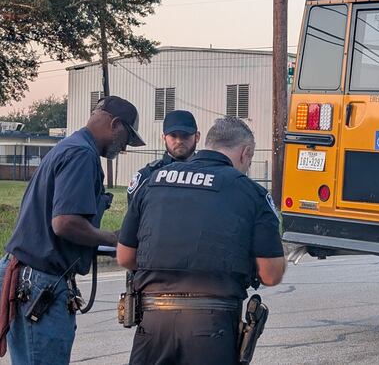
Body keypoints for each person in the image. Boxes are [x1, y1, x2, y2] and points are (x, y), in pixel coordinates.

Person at [117, 116, 286, 365]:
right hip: (212, 326)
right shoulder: (251, 193)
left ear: (206, 143)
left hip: (153, 323)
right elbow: (270, 275)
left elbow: (125, 257)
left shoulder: (153, 181)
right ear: (245, 152)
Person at [0, 96, 145, 364]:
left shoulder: (68, 147)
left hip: (31, 276)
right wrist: (115, 239)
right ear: (115, 124)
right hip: (40, 282)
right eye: (127, 137)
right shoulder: (82, 154)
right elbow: (65, 222)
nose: (124, 147)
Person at [127, 109, 200, 203]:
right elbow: (134, 215)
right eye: (173, 136)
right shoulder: (147, 176)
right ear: (164, 138)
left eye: (185, 135)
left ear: (197, 137)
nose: (179, 141)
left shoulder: (210, 174)